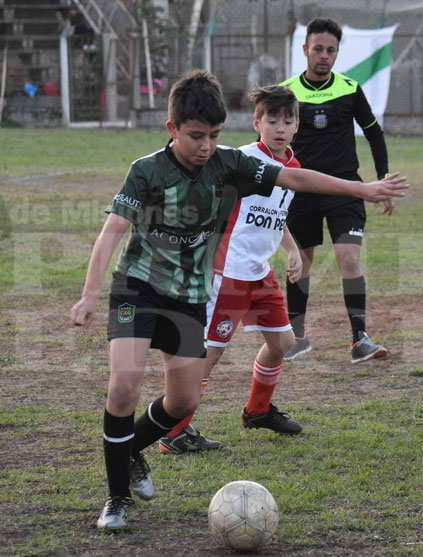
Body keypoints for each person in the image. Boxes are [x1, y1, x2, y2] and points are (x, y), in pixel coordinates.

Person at [69, 69, 406, 531]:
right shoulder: (146, 170)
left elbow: (295, 178)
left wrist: (362, 189)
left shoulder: (229, 164)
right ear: (172, 130)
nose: (205, 145)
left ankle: (128, 450)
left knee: (182, 402)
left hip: (189, 296)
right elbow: (112, 231)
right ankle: (116, 497)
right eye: (195, 136)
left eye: (213, 135)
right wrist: (90, 294)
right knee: (124, 387)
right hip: (138, 288)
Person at [157, 84, 310, 454]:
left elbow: (277, 217)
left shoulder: (293, 166)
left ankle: (256, 411)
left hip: (259, 273)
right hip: (226, 273)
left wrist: (292, 250)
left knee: (283, 343)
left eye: (287, 122)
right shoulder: (240, 160)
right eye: (271, 120)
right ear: (257, 122)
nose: (279, 128)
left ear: (296, 127)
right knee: (208, 353)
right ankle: (175, 430)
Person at [279, 17, 397, 364]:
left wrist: (383, 180)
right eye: (318, 49)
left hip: (346, 189)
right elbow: (268, 143)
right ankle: (296, 336)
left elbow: (374, 134)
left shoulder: (349, 88)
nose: (324, 56)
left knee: (348, 257)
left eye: (331, 50)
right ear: (305, 50)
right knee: (301, 261)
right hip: (299, 191)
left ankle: (360, 338)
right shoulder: (287, 94)